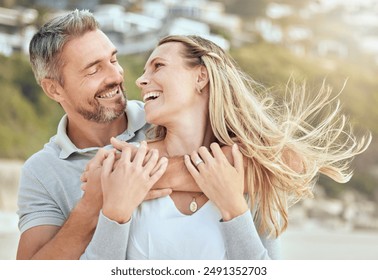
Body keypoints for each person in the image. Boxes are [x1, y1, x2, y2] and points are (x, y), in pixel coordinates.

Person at [83, 35, 371, 259]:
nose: (141, 80)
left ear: (201, 76)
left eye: (158, 65)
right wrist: (115, 214)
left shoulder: (252, 171)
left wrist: (233, 207)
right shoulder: (124, 166)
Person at [16, 9, 199, 260]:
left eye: (113, 60)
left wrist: (128, 176)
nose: (115, 76)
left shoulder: (162, 118)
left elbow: (254, 163)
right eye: (93, 70)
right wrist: (92, 205)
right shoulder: (41, 172)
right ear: (54, 89)